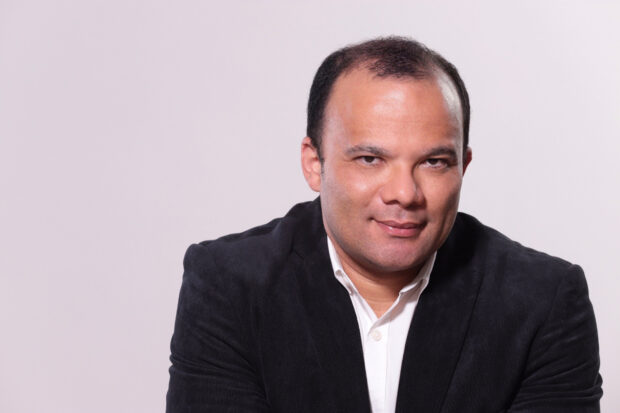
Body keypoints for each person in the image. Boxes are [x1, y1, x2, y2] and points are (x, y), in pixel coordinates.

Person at [166, 37, 602, 412]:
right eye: (370, 159)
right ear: (314, 163)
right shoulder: (230, 286)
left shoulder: (543, 301)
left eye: (434, 162)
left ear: (463, 166)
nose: (404, 193)